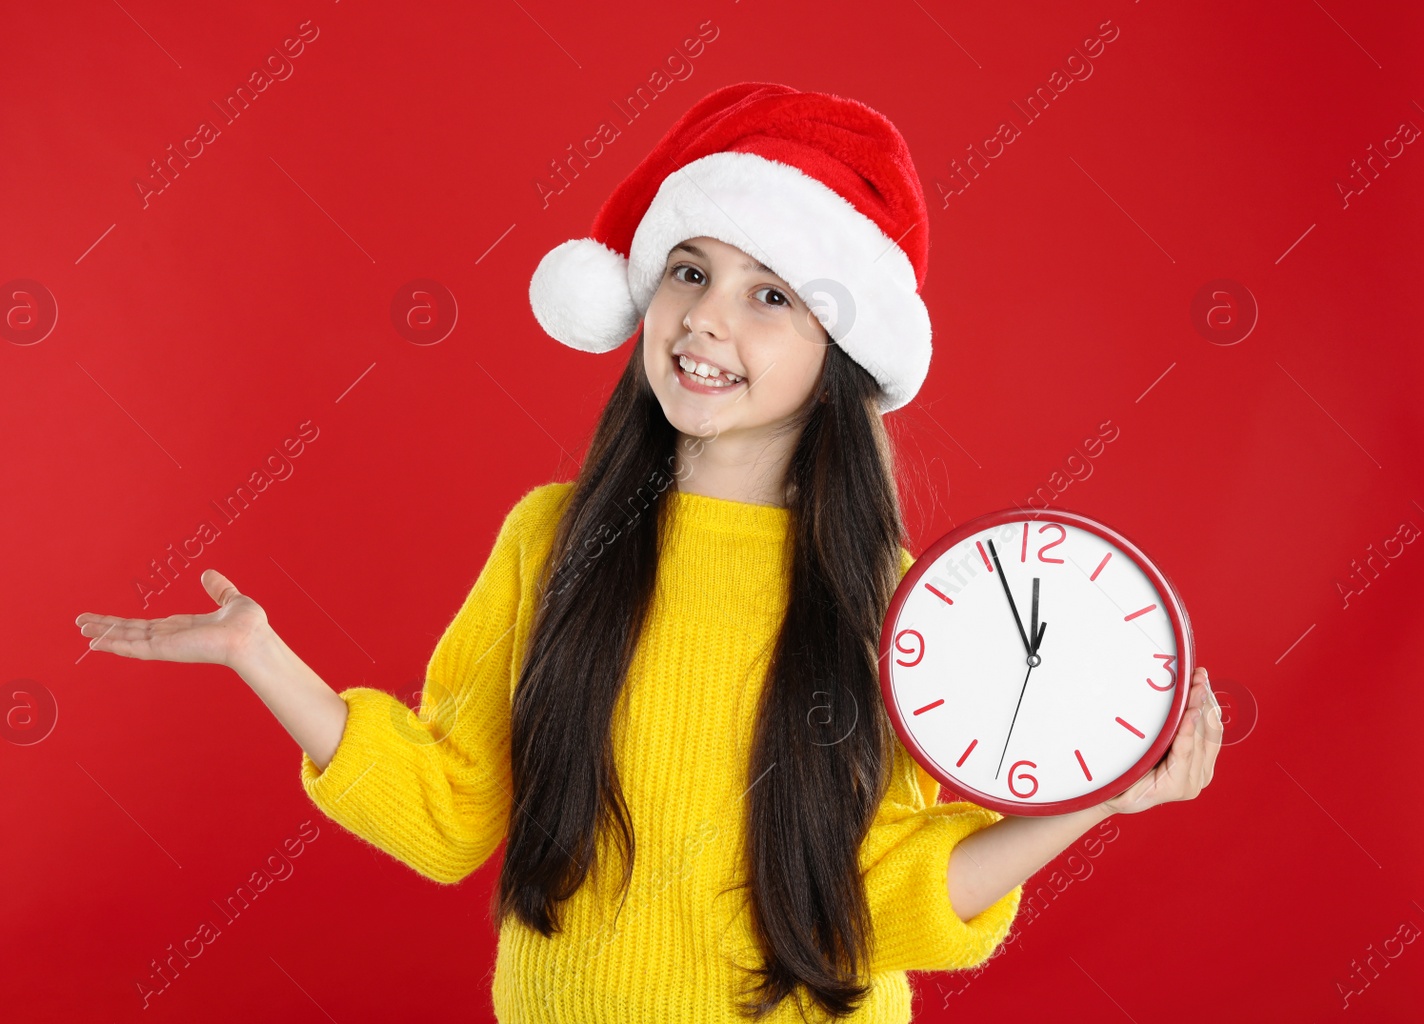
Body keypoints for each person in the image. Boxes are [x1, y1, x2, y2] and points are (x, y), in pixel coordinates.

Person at [74, 82, 1222, 1022]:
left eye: (770, 292)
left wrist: (1093, 801)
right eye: (689, 271)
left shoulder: (889, 597)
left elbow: (885, 898)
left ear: (841, 353)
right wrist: (260, 657)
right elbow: (449, 808)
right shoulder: (553, 537)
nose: (708, 318)